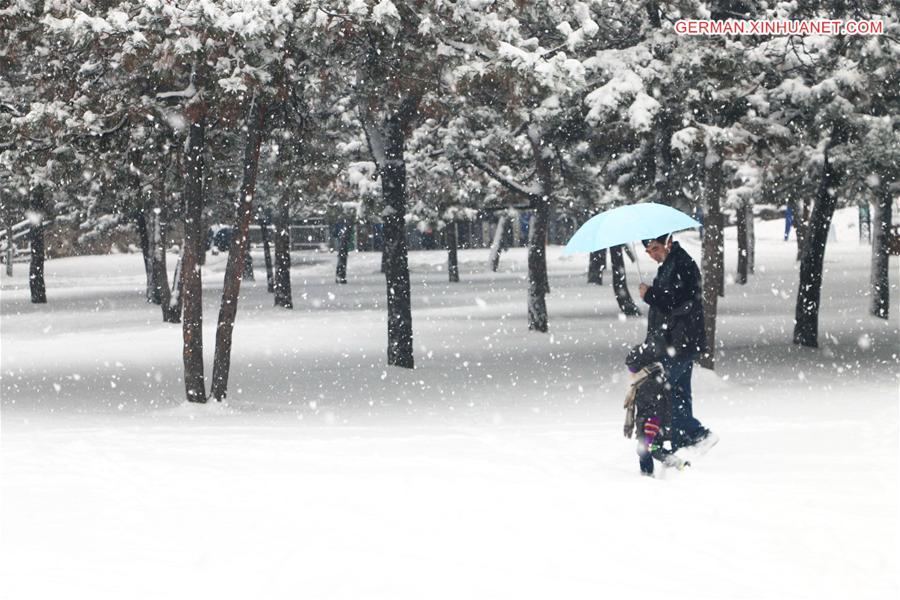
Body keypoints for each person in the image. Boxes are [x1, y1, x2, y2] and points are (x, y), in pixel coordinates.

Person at [637, 233, 717, 453]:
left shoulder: (682, 264)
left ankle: (696, 433)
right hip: (676, 341)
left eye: (654, 249)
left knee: (663, 388)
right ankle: (685, 440)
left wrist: (650, 295)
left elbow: (678, 301)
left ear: (668, 243)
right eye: (648, 251)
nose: (652, 255)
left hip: (681, 341)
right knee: (678, 392)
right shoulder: (669, 265)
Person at [623, 340, 690, 476]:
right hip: (649, 427)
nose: (631, 373)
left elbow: (656, 410)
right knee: (650, 450)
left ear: (641, 368)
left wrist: (650, 430)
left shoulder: (649, 385)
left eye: (632, 369)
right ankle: (667, 465)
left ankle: (652, 473)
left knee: (648, 449)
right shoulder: (646, 382)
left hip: (652, 428)